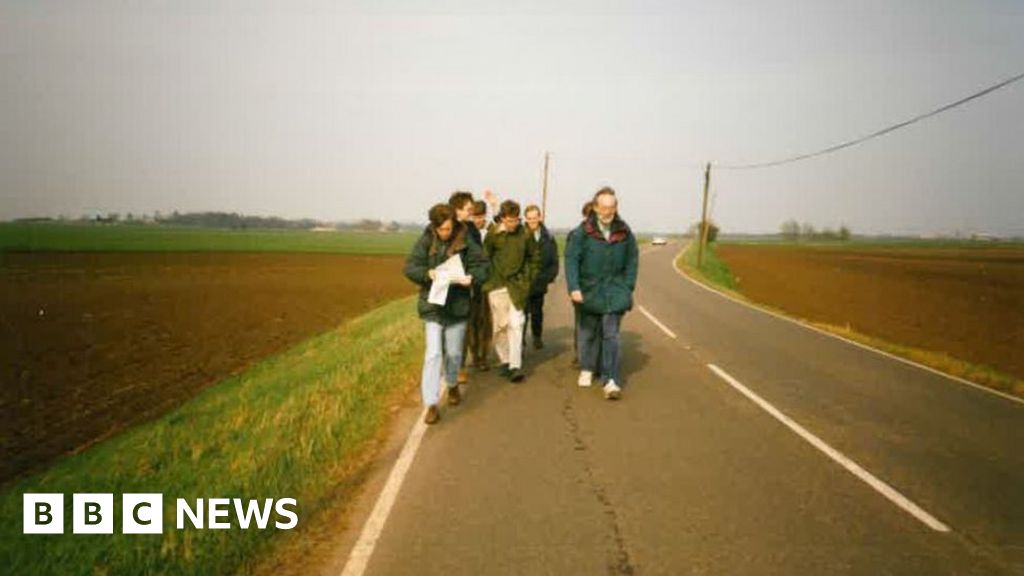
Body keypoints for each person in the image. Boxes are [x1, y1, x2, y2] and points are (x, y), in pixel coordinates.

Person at [404, 203, 489, 424]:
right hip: (432, 307)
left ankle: (452, 385)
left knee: (453, 353)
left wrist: (472, 277)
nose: (445, 233)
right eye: (441, 229)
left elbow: (482, 266)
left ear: (454, 224)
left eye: (448, 229)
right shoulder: (426, 240)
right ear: (434, 226)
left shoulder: (466, 239)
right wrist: (427, 273)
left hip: (458, 307)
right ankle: (430, 404)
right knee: (433, 354)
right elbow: (410, 267)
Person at [565, 187, 638, 400]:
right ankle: (587, 367)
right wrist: (574, 287)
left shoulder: (625, 232)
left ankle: (610, 379)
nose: (608, 212)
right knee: (587, 333)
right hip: (589, 291)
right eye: (604, 207)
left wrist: (627, 286)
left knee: (611, 335)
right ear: (596, 208)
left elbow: (632, 260)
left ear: (616, 208)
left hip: (615, 292)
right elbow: (571, 260)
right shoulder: (583, 232)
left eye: (612, 207)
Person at [482, 199, 540, 383]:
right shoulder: (493, 234)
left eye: (515, 220)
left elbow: (534, 258)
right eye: (509, 220)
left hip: (518, 286)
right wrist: (489, 280)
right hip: (497, 286)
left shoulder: (526, 234)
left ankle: (515, 366)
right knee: (500, 327)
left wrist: (528, 279)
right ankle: (505, 360)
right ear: (502, 218)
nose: (512, 224)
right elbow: (485, 257)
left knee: (516, 324)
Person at [449, 191, 479, 385]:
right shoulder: (445, 227)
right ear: (457, 209)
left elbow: (478, 255)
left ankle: (458, 368)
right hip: (443, 284)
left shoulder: (471, 229)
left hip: (464, 285)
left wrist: (474, 275)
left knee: (462, 327)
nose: (471, 212)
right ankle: (448, 365)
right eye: (468, 209)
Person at [523, 205, 559, 349]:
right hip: (523, 283)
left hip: (539, 282)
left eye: (535, 218)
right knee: (522, 314)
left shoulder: (548, 237)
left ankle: (537, 336)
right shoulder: (520, 235)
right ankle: (520, 339)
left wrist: (547, 277)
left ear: (540, 217)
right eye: (529, 218)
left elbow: (554, 261)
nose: (532, 221)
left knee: (537, 312)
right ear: (526, 219)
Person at [566, 200, 595, 368]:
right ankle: (581, 355)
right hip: (582, 286)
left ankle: (595, 358)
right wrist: (574, 287)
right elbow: (571, 262)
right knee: (582, 323)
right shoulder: (576, 234)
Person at [466, 199, 493, 371]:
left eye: (481, 216)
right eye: (475, 216)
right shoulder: (466, 232)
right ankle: (474, 354)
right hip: (469, 282)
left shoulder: (491, 231)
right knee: (471, 321)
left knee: (485, 321)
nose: (478, 220)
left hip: (487, 282)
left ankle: (483, 356)